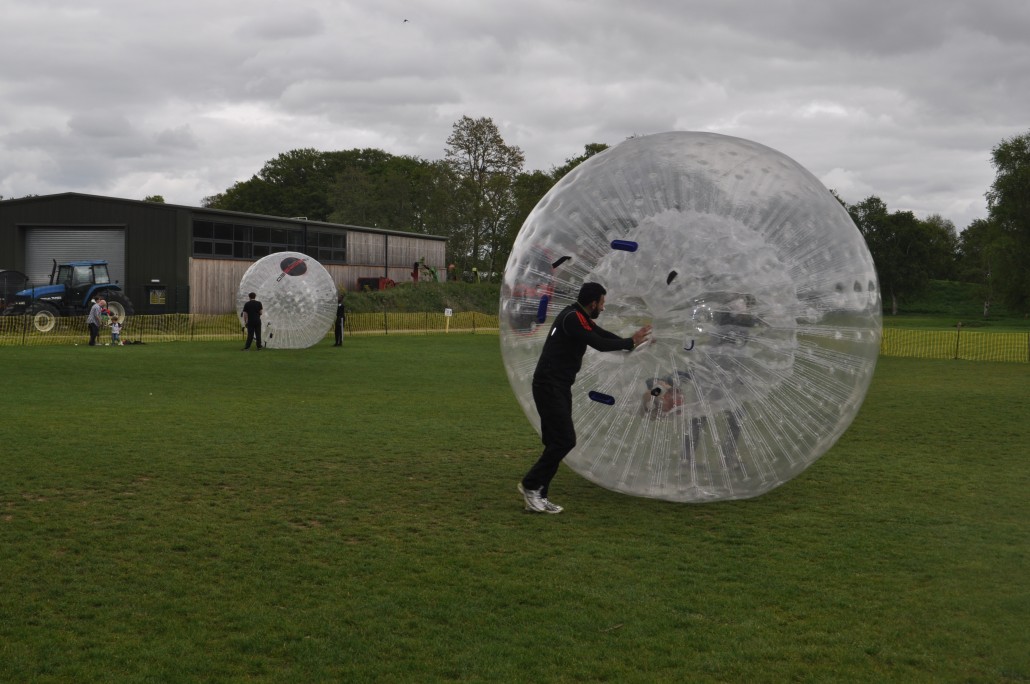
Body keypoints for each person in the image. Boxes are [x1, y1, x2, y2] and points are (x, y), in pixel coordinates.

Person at [518, 282, 651, 514]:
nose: (603, 307)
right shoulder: (572, 317)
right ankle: (530, 485)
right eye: (602, 303)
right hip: (549, 385)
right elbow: (598, 343)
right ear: (593, 303)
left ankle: (538, 494)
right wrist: (630, 342)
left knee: (555, 442)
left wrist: (632, 342)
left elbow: (601, 334)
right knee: (565, 440)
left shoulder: (579, 316)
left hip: (557, 386)